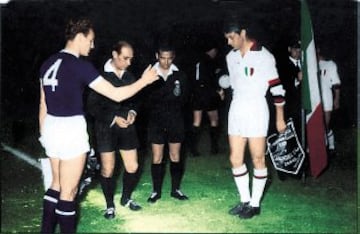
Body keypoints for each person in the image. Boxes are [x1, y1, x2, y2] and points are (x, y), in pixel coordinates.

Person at [38, 18, 158, 233]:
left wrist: (43, 134)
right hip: (71, 128)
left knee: (55, 185)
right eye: (90, 41)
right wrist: (143, 81)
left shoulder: (48, 63)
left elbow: (43, 104)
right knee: (69, 192)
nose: (92, 46)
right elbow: (116, 94)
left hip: (51, 128)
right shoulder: (80, 66)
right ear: (80, 37)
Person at [223, 20, 286, 219]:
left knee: (258, 157)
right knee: (235, 158)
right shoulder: (230, 57)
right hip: (236, 109)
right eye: (226, 38)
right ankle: (244, 200)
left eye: (231, 37)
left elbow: (277, 89)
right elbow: (234, 85)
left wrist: (280, 118)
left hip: (257, 109)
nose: (228, 42)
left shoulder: (264, 56)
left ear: (242, 33)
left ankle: (255, 204)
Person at [86, 41, 143, 220]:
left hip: (126, 126)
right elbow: (92, 106)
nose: (129, 62)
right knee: (108, 169)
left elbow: (136, 100)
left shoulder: (130, 76)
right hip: (106, 127)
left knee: (133, 166)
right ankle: (110, 205)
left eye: (131, 59)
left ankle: (126, 198)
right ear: (114, 55)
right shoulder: (100, 76)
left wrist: (133, 112)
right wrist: (113, 118)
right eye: (125, 58)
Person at [144, 43, 189, 203]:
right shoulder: (149, 74)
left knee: (175, 155)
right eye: (163, 58)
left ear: (173, 57)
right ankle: (156, 191)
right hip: (156, 121)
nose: (166, 62)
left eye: (169, 58)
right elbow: (145, 99)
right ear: (157, 56)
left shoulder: (180, 75)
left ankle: (176, 189)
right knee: (157, 156)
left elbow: (184, 99)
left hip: (175, 120)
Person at [189, 44, 224, 156]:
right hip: (208, 94)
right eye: (215, 50)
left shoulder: (197, 60)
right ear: (212, 50)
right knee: (214, 119)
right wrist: (218, 90)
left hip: (197, 94)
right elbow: (209, 79)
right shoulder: (209, 62)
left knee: (197, 121)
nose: (216, 53)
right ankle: (214, 147)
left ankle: (193, 149)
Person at [317, 47, 341, 152]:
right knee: (315, 125)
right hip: (314, 100)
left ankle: (331, 146)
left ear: (318, 49)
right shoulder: (308, 64)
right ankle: (319, 148)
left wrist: (337, 99)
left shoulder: (330, 64)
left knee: (325, 125)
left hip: (326, 98)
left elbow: (336, 84)